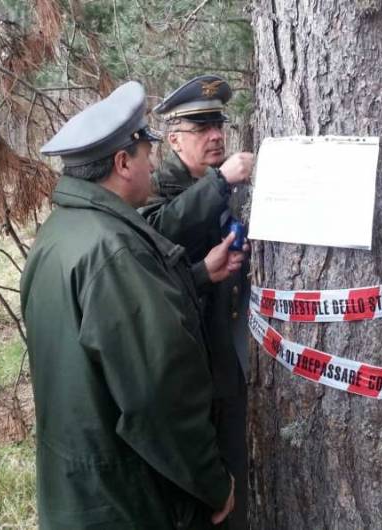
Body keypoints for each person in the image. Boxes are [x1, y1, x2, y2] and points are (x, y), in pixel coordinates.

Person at [20, 80, 245, 530]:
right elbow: (156, 394)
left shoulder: (61, 231)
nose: (151, 163)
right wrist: (213, 484)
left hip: (79, 484)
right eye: (146, 153)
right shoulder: (113, 250)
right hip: (122, 497)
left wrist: (198, 276)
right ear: (123, 163)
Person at [140, 74, 254, 530]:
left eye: (218, 127)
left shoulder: (218, 184)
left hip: (226, 353)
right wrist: (220, 184)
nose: (215, 137)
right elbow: (161, 229)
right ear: (173, 140)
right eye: (201, 130)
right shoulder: (156, 188)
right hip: (182, 358)